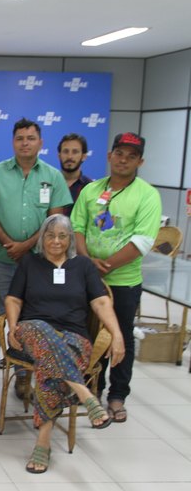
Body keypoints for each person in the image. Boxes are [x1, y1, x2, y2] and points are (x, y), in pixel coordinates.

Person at [6, 214, 125, 473]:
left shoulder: (82, 265)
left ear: (70, 238)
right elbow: (14, 299)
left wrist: (117, 334)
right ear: (42, 238)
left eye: (62, 235)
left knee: (51, 367)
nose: (56, 241)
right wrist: (13, 325)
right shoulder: (29, 262)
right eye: (50, 235)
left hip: (73, 336)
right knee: (39, 329)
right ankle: (83, 393)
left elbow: (101, 302)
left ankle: (43, 442)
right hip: (32, 331)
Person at [0, 118, 72, 398]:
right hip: (3, 261)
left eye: (31, 138)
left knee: (32, 320)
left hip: (40, 264)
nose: (25, 142)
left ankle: (24, 377)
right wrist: (9, 244)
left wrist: (27, 246)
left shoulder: (53, 176)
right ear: (13, 142)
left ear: (41, 143)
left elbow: (57, 219)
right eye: (20, 138)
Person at [71, 132, 161, 424]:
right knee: (85, 334)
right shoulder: (91, 190)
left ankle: (117, 395)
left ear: (140, 161)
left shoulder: (147, 195)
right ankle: (89, 387)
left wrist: (106, 265)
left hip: (123, 281)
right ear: (109, 156)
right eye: (119, 153)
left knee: (119, 337)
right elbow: (77, 228)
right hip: (87, 278)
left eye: (131, 156)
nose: (124, 159)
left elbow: (143, 241)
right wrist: (87, 261)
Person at [57, 133, 92, 216]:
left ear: (84, 156)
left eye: (75, 152)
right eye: (65, 151)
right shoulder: (48, 184)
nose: (69, 156)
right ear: (59, 156)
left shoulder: (90, 187)